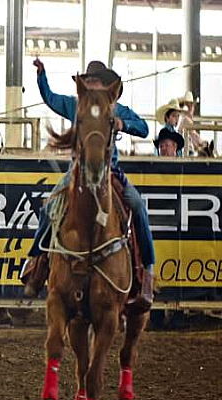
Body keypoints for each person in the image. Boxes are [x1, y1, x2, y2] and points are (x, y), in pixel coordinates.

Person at [21, 59, 155, 309]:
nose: (89, 84)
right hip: (77, 171)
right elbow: (50, 98)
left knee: (138, 206)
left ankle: (147, 273)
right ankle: (36, 261)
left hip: (109, 171)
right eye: (87, 81)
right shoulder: (75, 104)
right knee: (49, 208)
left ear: (104, 84)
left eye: (93, 80)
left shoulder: (118, 109)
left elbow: (144, 128)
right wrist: (42, 76)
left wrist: (123, 124)